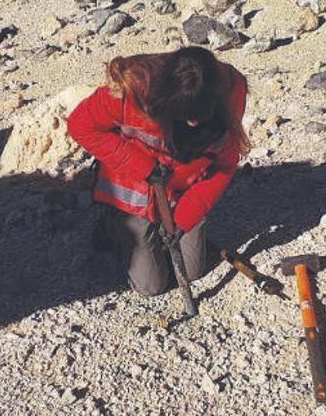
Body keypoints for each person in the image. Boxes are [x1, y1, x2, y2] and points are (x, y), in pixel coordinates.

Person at [67, 46, 249, 296]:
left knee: (193, 271)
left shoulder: (232, 91)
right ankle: (113, 226)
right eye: (186, 117)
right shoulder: (131, 92)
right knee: (151, 286)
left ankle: (165, 231)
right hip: (135, 189)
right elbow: (80, 125)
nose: (193, 123)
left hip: (182, 190)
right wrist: (144, 168)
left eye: (198, 118)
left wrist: (186, 216)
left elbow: (225, 165)